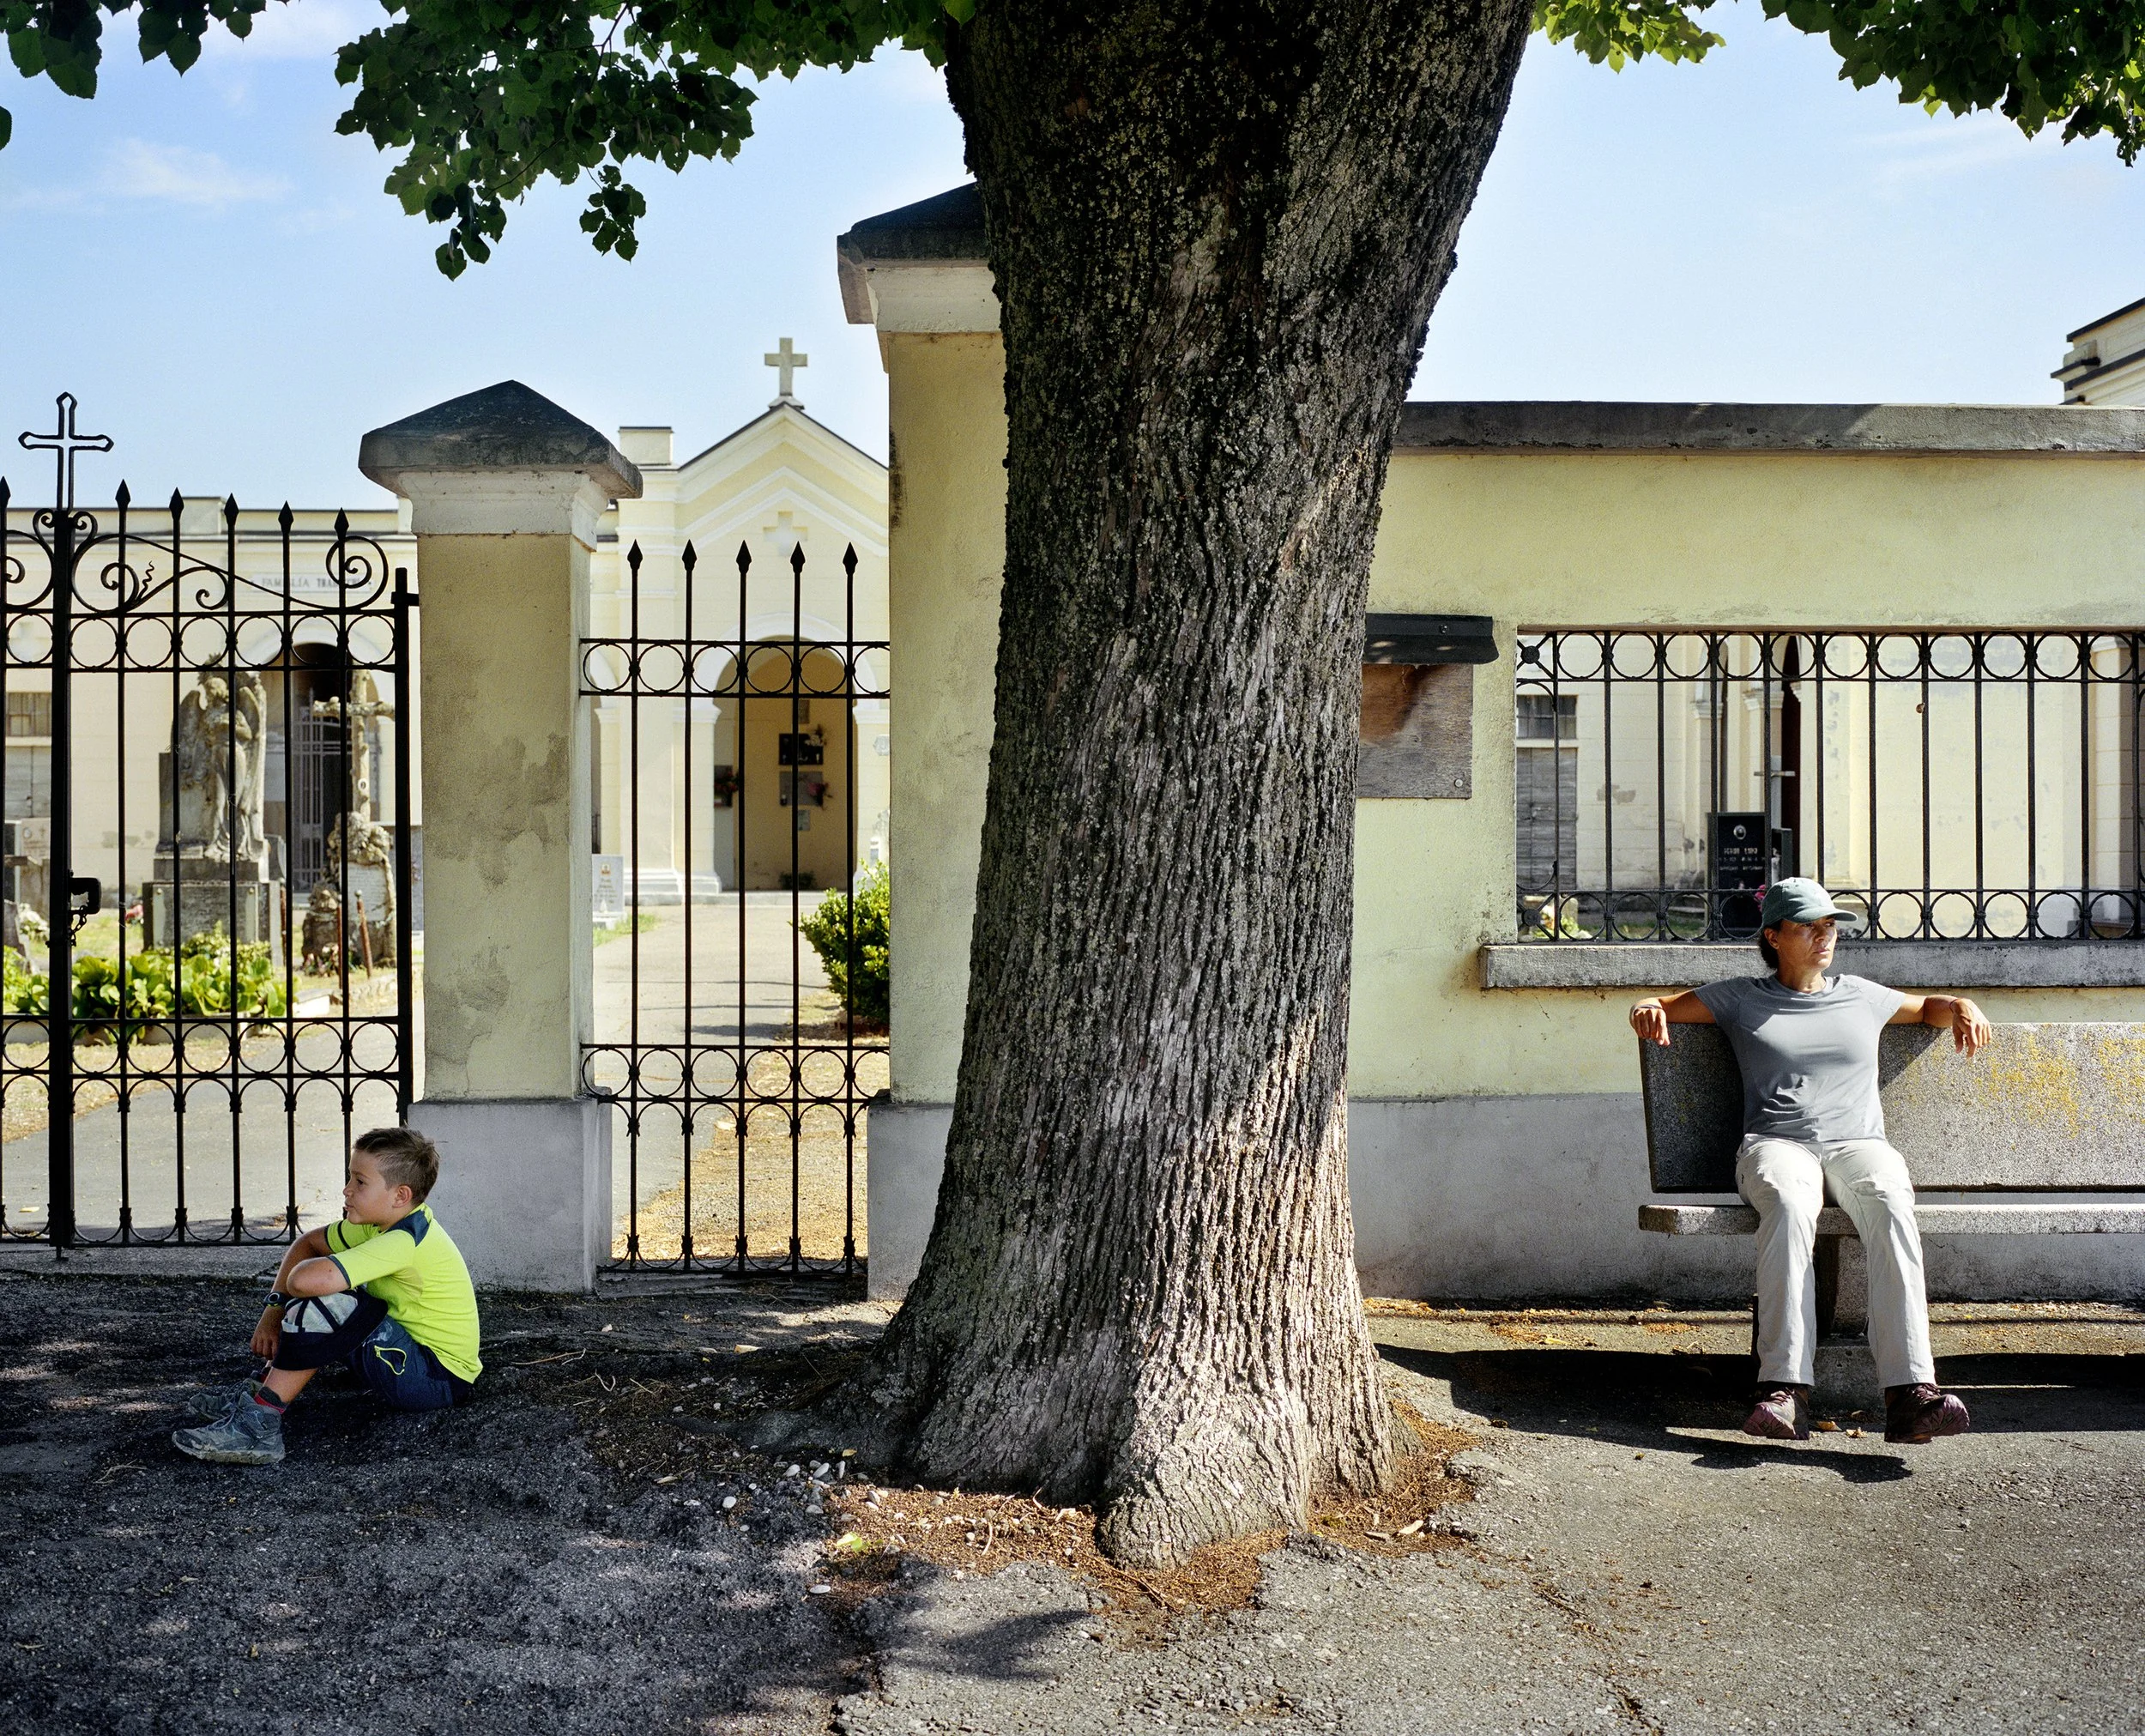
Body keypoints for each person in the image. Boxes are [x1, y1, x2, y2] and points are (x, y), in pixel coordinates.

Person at [1629, 878, 1990, 1445]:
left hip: (1858, 1143)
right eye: (1808, 926)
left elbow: (1929, 1009)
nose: (1825, 936)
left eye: (1830, 925)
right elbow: (1664, 1004)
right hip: (1778, 1143)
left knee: (1893, 1201)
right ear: (1773, 936)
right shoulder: (1742, 997)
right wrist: (1647, 1007)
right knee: (1793, 1202)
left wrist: (1962, 1005)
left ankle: (1910, 1393)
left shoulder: (1862, 995)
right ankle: (1783, 1387)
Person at [172, 1127, 482, 1466]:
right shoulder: (379, 1223)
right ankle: (259, 1393)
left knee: (330, 1304)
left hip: (436, 1380)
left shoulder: (403, 1241)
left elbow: (305, 1282)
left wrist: (300, 1293)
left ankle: (258, 1427)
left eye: (360, 1183)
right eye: (350, 1178)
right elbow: (307, 1243)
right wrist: (273, 1311)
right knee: (333, 1295)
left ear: (400, 1195)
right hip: (411, 1359)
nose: (347, 1190)